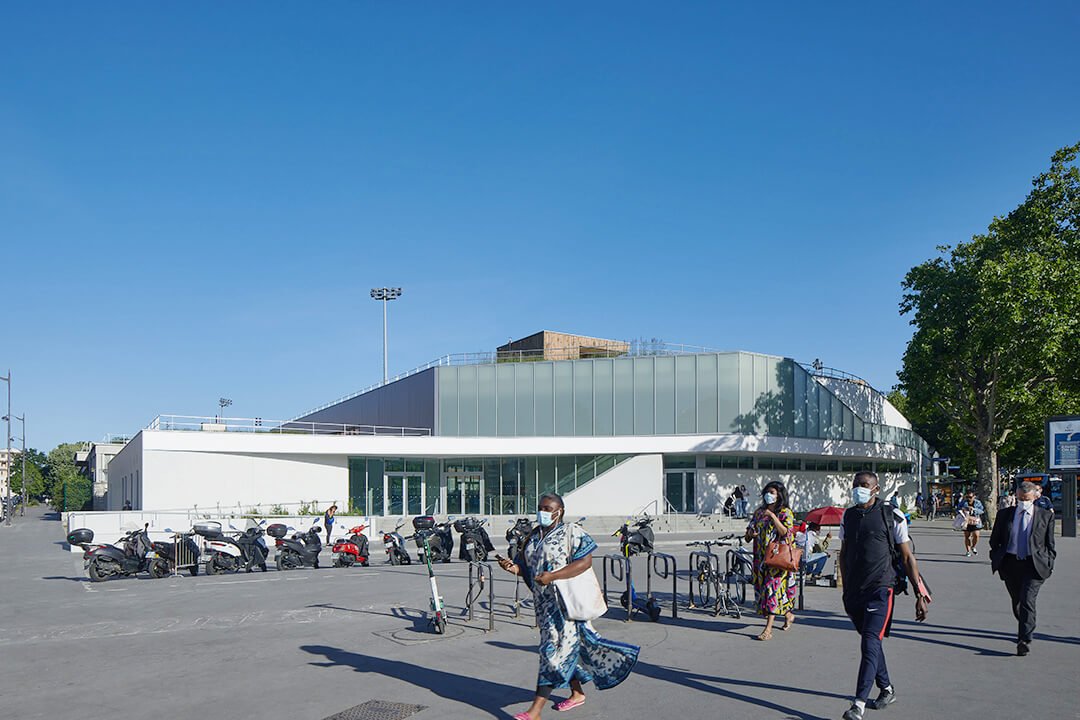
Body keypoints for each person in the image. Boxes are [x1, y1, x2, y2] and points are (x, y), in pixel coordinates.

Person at [497, 493, 638, 719]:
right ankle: (577, 694)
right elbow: (527, 570)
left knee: (551, 653)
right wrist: (512, 567)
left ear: (558, 511)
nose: (542, 511)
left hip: (566, 606)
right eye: (540, 507)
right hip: (544, 608)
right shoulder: (533, 537)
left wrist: (553, 576)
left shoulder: (571, 532)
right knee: (569, 649)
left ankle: (535, 711)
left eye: (547, 507)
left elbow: (585, 561)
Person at [838, 472, 930, 720]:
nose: (859, 489)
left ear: (876, 488)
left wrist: (919, 593)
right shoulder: (848, 516)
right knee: (873, 644)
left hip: (882, 588)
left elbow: (907, 557)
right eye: (856, 485)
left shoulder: (892, 515)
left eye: (864, 485)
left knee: (868, 643)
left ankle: (858, 704)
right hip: (855, 591)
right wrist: (845, 588)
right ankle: (887, 689)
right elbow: (843, 554)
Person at [989, 480, 1056, 656]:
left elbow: (1050, 544)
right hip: (1010, 564)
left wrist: (1049, 563)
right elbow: (995, 540)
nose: (1022, 502)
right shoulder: (1005, 515)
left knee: (1027, 600)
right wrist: (995, 556)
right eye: (1020, 498)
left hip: (1034, 564)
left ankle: (1024, 639)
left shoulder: (1045, 516)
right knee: (1017, 602)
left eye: (1026, 498)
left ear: (1035, 497)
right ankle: (1027, 624)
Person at [744, 481, 797, 640]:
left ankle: (768, 630)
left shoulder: (785, 513)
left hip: (777, 558)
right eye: (767, 492)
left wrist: (773, 516)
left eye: (772, 492)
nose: (769, 495)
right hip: (761, 560)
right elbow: (747, 536)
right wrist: (751, 534)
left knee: (771, 589)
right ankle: (788, 614)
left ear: (779, 495)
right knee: (765, 592)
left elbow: (786, 534)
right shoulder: (759, 512)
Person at [957, 492, 985, 556]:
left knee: (976, 535)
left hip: (975, 521)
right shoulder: (963, 502)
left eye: (970, 497)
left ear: (974, 496)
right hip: (966, 521)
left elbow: (982, 511)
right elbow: (957, 509)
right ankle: (968, 551)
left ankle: (973, 546)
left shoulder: (978, 502)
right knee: (967, 536)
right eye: (967, 497)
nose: (968, 499)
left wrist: (974, 509)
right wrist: (963, 510)